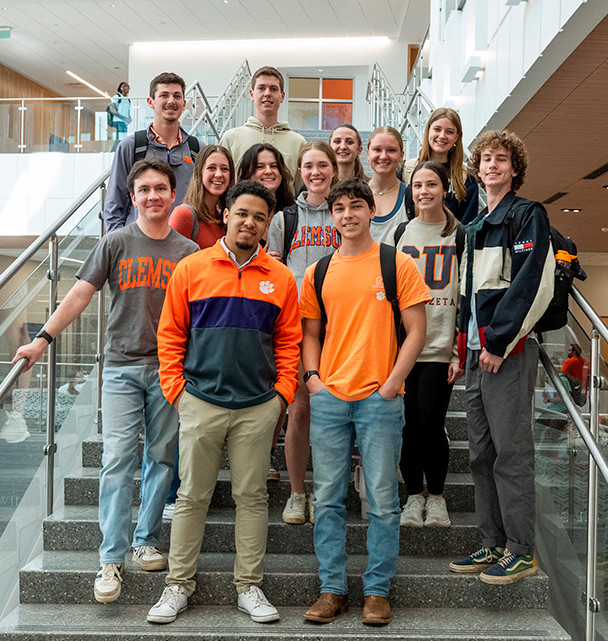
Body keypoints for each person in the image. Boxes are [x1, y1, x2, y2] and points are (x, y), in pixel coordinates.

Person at [12, 158, 198, 603]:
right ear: (132, 198)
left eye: (161, 189)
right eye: (144, 190)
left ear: (173, 196)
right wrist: (42, 339)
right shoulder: (115, 242)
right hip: (120, 368)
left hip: (170, 369)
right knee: (117, 458)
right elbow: (80, 293)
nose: (153, 196)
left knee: (161, 457)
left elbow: (201, 318)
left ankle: (145, 539)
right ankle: (110, 557)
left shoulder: (189, 253)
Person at [146, 180, 301, 625]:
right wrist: (177, 392)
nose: (249, 222)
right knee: (192, 496)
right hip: (200, 400)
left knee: (251, 497)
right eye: (242, 213)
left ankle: (248, 587)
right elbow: (170, 334)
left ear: (266, 223)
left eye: (259, 216)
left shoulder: (281, 277)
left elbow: (288, 343)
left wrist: (282, 395)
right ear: (226, 214)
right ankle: (177, 586)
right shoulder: (192, 269)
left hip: (257, 405)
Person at [300, 178, 429, 626]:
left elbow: (417, 332)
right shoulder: (318, 271)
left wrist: (392, 384)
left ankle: (377, 592)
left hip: (380, 398)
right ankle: (332, 589)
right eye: (339, 208)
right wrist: (314, 380)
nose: (348, 214)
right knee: (329, 498)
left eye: (356, 206)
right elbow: (310, 334)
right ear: (331, 215)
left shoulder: (398, 264)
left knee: (381, 499)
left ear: (372, 210)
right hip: (330, 397)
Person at [449, 130, 555, 584]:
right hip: (475, 355)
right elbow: (466, 294)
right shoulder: (473, 227)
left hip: (504, 353)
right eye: (485, 159)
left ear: (515, 169)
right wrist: (463, 348)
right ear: (476, 169)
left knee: (511, 454)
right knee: (480, 454)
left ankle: (521, 550)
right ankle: (492, 543)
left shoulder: (527, 215)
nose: (492, 166)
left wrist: (498, 343)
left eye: (501, 159)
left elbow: (531, 284)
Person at [266, 141, 339, 524]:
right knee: (300, 409)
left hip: (338, 326)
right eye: (309, 165)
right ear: (299, 170)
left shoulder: (343, 213)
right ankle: (297, 493)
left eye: (322, 165)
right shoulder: (284, 219)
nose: (316, 172)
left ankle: (328, 490)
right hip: (296, 325)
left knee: (334, 411)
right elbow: (276, 272)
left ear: (334, 169)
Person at [393, 161, 465, 528]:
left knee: (431, 424)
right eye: (417, 185)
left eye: (431, 184)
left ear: (444, 189)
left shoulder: (459, 234)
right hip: (406, 350)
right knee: (408, 425)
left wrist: (458, 351)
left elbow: (465, 295)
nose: (424, 191)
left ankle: (436, 497)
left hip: (440, 347)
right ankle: (413, 496)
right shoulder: (402, 233)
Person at [104, 72, 197, 232]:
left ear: (184, 103)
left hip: (185, 247)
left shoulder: (196, 149)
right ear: (151, 102)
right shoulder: (131, 146)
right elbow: (114, 205)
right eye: (164, 95)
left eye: (177, 96)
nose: (171, 101)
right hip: (138, 248)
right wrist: (120, 245)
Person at [220, 66, 306, 185]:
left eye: (273, 89)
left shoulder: (298, 142)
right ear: (251, 94)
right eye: (261, 88)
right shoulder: (231, 138)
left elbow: (301, 188)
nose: (267, 93)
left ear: (282, 96)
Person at [401, 108, 479, 224]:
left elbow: (467, 225)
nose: (442, 136)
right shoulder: (406, 169)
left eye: (449, 132)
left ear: (457, 137)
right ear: (428, 131)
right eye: (437, 129)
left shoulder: (467, 179)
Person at [169, 144, 235, 249]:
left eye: (224, 169)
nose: (218, 174)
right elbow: (171, 260)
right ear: (200, 172)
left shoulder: (224, 218)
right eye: (211, 168)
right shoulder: (184, 215)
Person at [366, 126, 407, 244]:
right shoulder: (356, 195)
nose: (383, 156)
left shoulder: (412, 197)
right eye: (377, 149)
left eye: (391, 150)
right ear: (368, 154)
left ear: (401, 155)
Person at [237, 143, 295, 215]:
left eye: (274, 166)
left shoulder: (293, 212)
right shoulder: (237, 210)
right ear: (247, 173)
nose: (268, 171)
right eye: (260, 167)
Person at [109, 81, 132, 151]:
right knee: (119, 139)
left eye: (128, 86)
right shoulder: (117, 97)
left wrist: (129, 118)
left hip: (125, 122)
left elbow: (127, 112)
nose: (127, 88)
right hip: (118, 121)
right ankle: (113, 151)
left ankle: (118, 151)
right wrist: (123, 118)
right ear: (121, 88)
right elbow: (112, 110)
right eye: (125, 86)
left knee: (123, 139)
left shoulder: (128, 100)